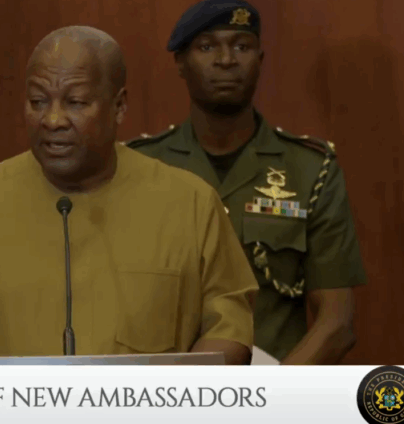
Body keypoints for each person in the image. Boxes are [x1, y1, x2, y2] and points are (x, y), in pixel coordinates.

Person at [0, 26, 259, 365]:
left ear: (119, 106)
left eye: (75, 102)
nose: (52, 120)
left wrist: (164, 398)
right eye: (38, 101)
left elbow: (229, 328)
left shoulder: (190, 203)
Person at [125, 0, 367, 365]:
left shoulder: (310, 170)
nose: (226, 60)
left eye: (241, 46)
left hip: (278, 386)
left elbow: (336, 323)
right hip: (168, 389)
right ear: (180, 63)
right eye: (207, 46)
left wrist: (271, 394)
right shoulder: (140, 167)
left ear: (260, 59)